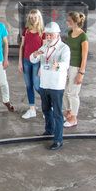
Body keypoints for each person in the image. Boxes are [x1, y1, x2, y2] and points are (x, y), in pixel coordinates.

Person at [29, 22, 70, 150]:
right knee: (46, 109)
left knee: (57, 113)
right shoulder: (44, 46)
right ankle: (49, 130)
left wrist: (57, 65)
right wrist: (34, 55)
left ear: (57, 35)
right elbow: (33, 59)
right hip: (45, 83)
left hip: (56, 85)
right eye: (47, 35)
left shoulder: (64, 48)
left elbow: (65, 64)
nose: (48, 37)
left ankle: (58, 140)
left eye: (51, 35)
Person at [63, 11, 88, 128]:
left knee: (73, 93)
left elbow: (84, 56)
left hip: (76, 67)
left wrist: (81, 72)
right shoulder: (70, 32)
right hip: (67, 66)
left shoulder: (83, 36)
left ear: (73, 21)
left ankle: (74, 117)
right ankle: (68, 112)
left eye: (68, 20)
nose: (67, 22)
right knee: (64, 91)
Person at [18, 9, 44, 119]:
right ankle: (32, 109)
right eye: (31, 17)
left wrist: (41, 67)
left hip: (37, 62)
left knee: (37, 86)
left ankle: (47, 106)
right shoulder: (26, 30)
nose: (33, 19)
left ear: (39, 18)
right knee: (28, 85)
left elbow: (44, 51)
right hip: (26, 61)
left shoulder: (43, 32)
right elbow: (22, 46)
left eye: (35, 17)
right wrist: (20, 62)